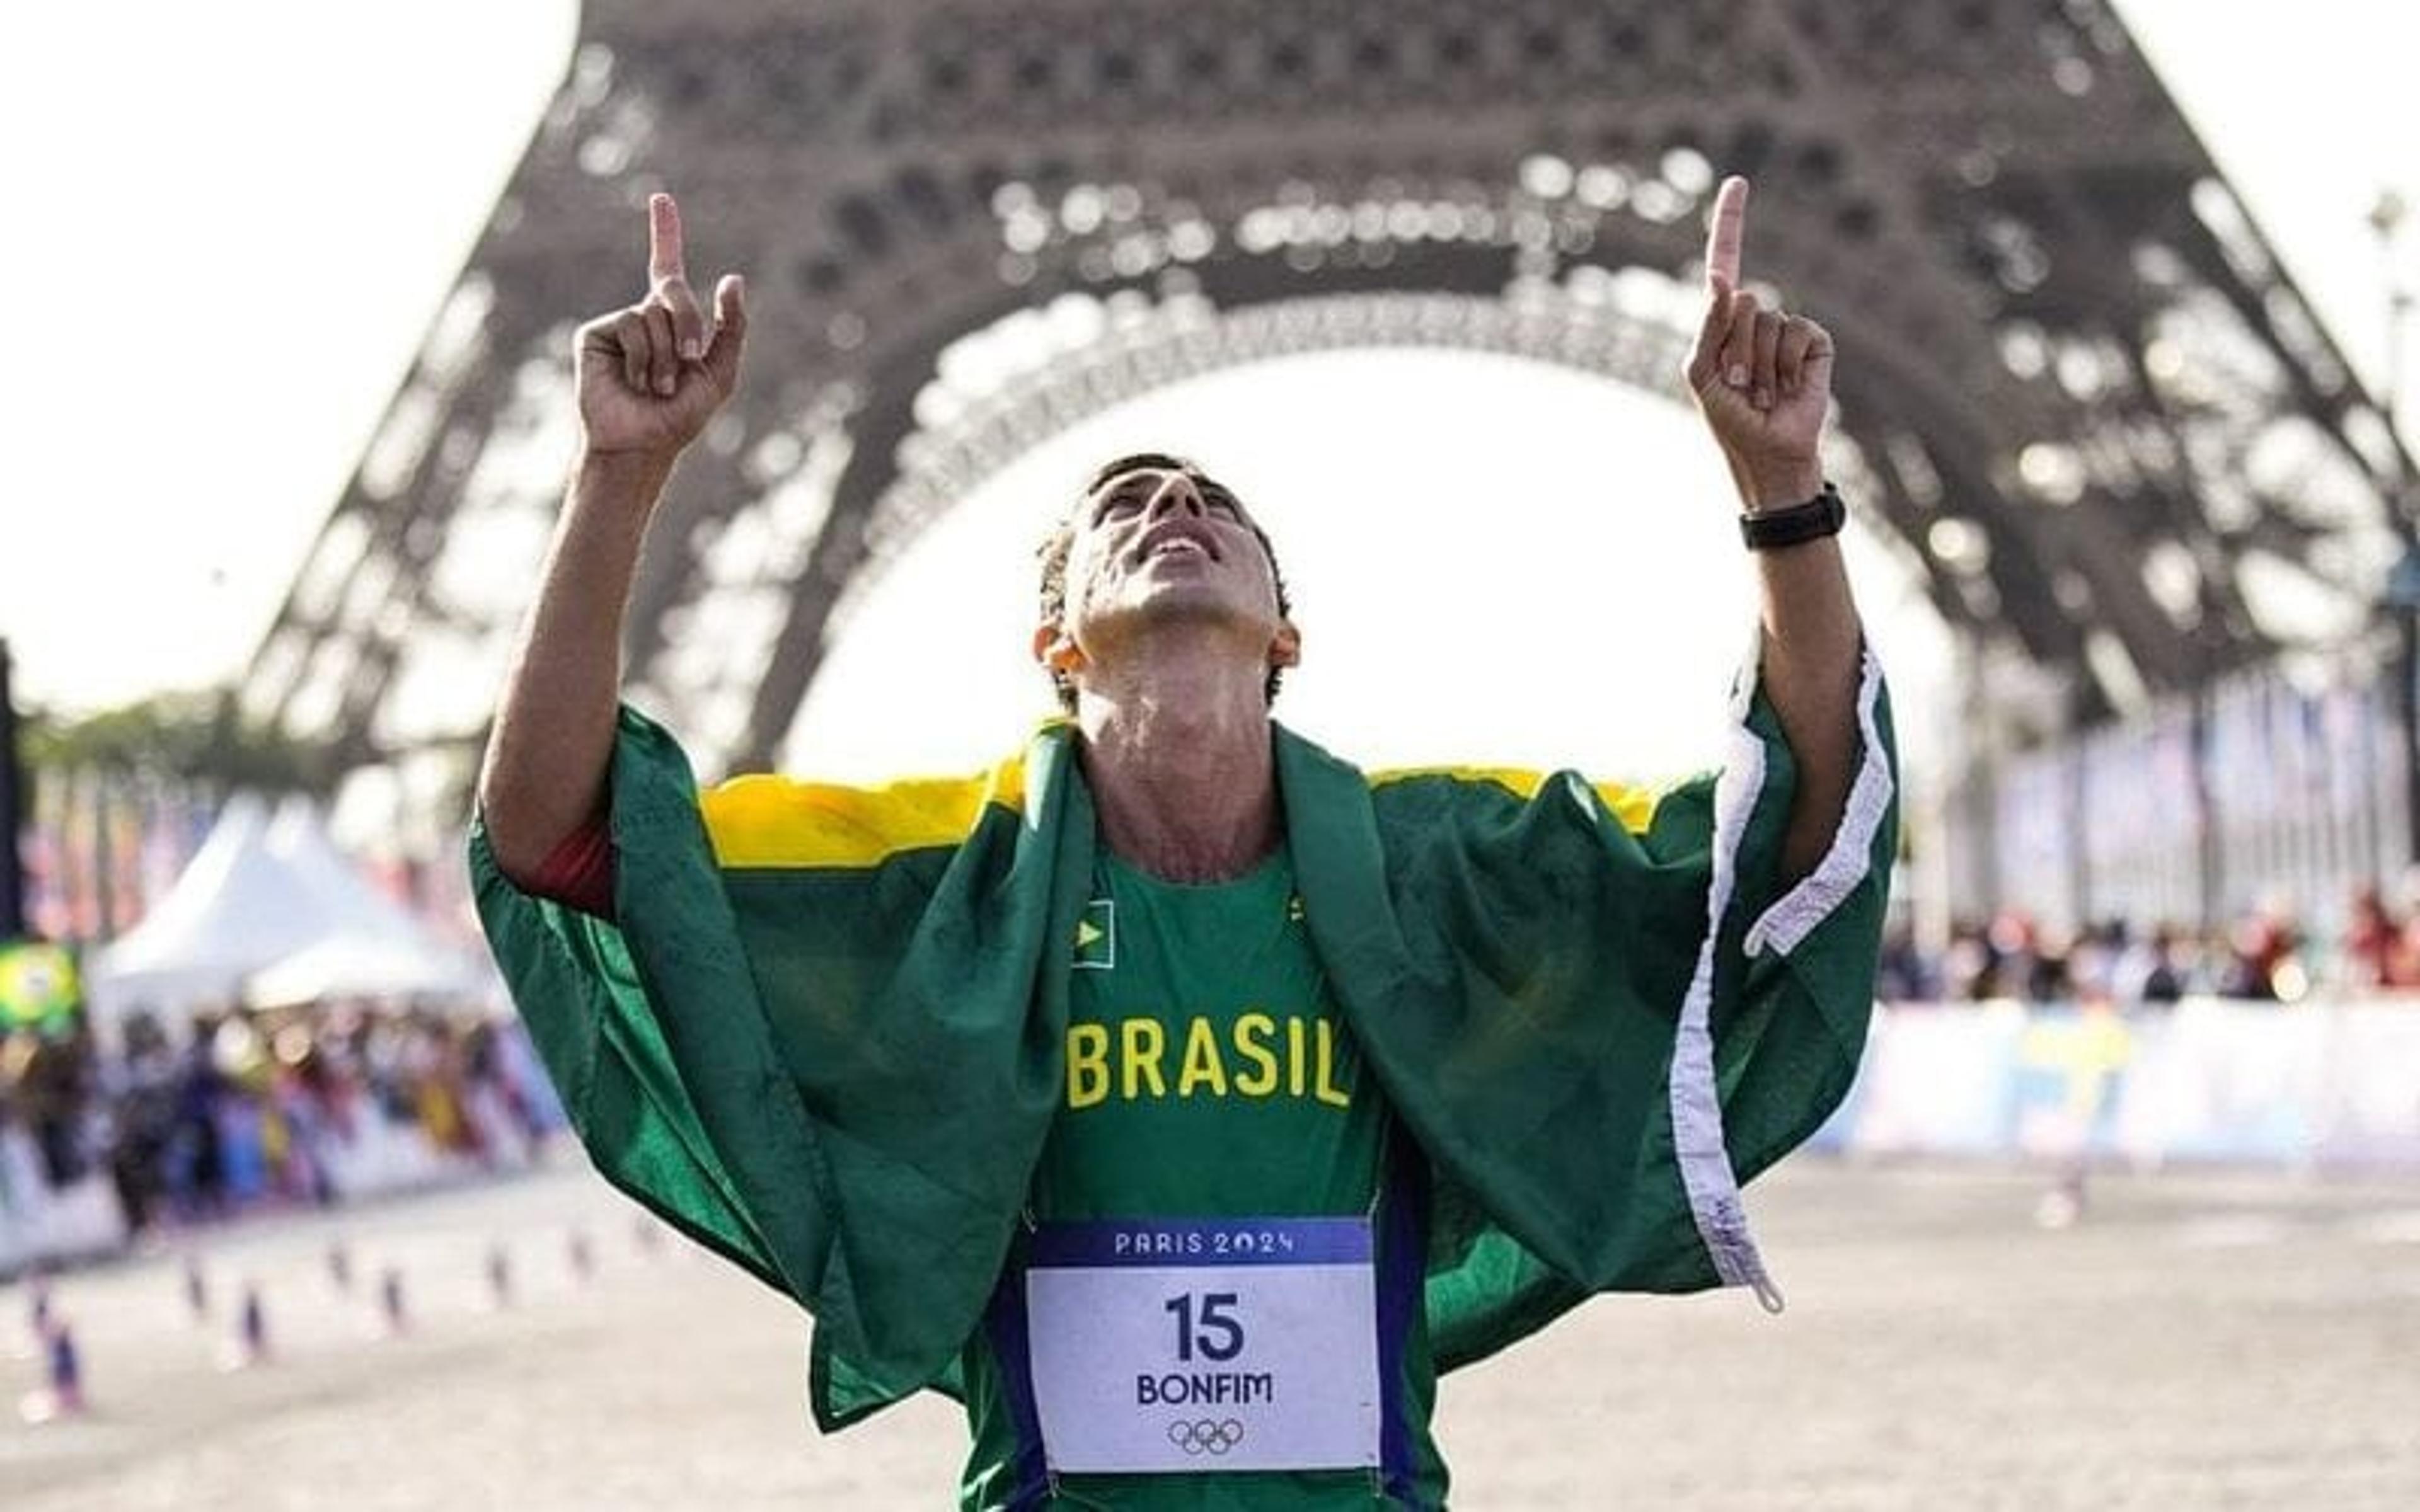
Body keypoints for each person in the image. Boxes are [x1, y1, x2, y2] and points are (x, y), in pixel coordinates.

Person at [473, 178, 1896, 1508]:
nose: (1174, 504)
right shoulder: (927, 876)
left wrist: (1782, 493)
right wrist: (620, 478)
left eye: (1218, 505)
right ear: (1052, 640)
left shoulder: (1437, 863)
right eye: (1124, 507)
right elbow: (554, 837)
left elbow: (1780, 843)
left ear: (1287, 631)